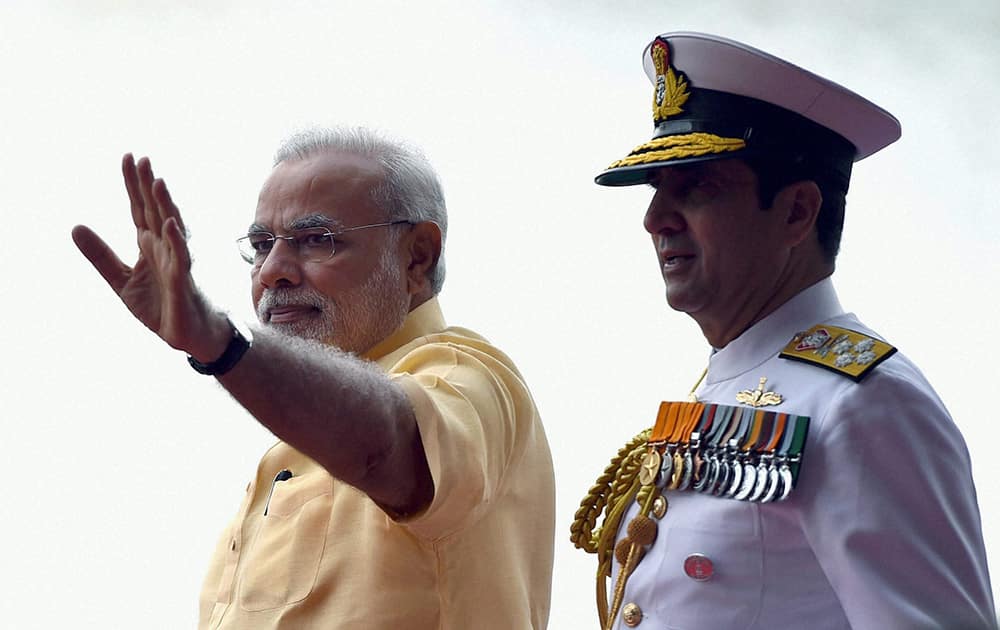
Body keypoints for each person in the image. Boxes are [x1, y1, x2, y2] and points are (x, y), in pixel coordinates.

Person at [571, 32, 996, 630]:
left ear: (797, 211)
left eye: (697, 187)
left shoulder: (866, 404)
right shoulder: (736, 379)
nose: (654, 219)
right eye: (656, 189)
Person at [72, 127, 555, 629]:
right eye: (261, 245)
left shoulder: (468, 375)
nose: (273, 271)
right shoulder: (289, 446)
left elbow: (385, 447)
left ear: (417, 256)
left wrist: (220, 342)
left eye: (314, 241)